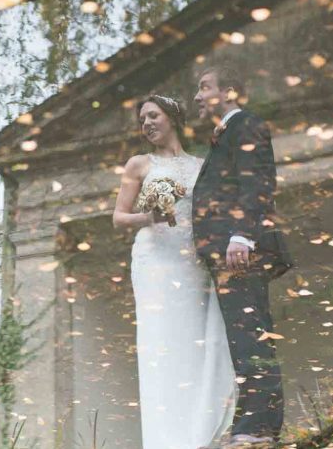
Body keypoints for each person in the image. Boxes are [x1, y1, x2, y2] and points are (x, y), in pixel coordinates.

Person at [113, 94, 237, 449]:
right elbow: (119, 217)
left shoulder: (201, 165)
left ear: (173, 118)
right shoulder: (138, 164)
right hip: (156, 263)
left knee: (198, 340)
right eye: (142, 120)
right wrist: (150, 215)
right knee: (162, 344)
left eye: (153, 116)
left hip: (192, 261)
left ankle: (205, 431)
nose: (147, 124)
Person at [192, 66, 292, 448]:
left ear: (230, 92)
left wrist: (242, 236)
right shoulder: (224, 135)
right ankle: (255, 423)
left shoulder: (246, 123)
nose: (198, 97)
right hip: (228, 253)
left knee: (251, 335)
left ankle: (258, 427)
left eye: (205, 87)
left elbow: (258, 181)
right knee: (243, 336)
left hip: (241, 251)